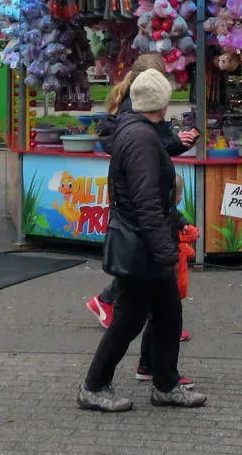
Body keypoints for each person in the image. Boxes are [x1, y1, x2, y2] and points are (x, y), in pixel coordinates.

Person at [77, 70, 206, 412]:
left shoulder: (138, 131)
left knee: (167, 315)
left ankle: (164, 382)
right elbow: (147, 201)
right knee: (130, 319)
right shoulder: (141, 139)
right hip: (142, 245)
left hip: (145, 242)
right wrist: (166, 250)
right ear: (163, 104)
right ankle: (94, 385)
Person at [86, 54, 196, 338]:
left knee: (144, 281)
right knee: (145, 281)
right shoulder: (136, 120)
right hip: (141, 218)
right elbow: (146, 187)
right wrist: (167, 243)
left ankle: (145, 334)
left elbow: (153, 152)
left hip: (138, 217)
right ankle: (138, 334)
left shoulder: (135, 115)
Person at [133, 174, 199, 386]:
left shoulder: (166, 213)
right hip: (164, 273)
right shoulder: (164, 216)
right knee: (163, 320)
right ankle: (159, 372)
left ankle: (148, 366)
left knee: (155, 320)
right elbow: (181, 239)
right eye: (179, 194)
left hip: (162, 271)